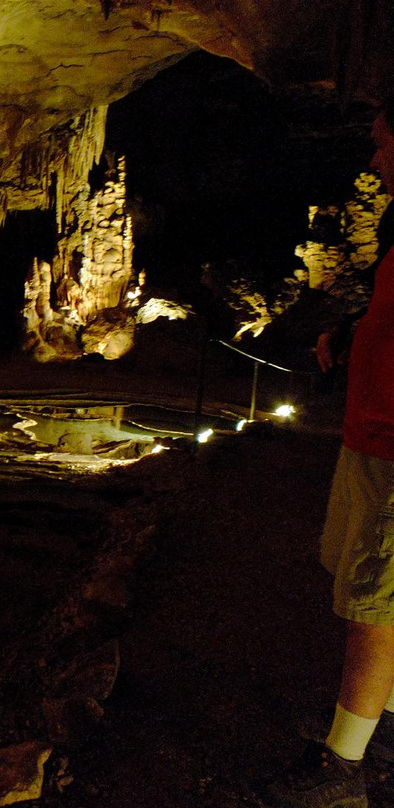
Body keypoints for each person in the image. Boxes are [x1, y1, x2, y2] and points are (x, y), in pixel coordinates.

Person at [268, 98, 394, 808]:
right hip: (371, 430)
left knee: (378, 602)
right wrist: (352, 333)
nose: (374, 159)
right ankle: (382, 729)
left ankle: (341, 773)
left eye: (383, 145)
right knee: (370, 584)